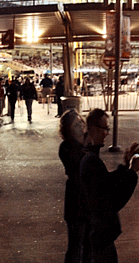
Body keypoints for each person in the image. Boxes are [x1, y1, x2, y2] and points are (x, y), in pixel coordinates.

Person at [80, 109, 139, 263]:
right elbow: (112, 201)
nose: (107, 133)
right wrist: (132, 173)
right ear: (94, 129)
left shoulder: (90, 158)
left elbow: (105, 181)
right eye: (105, 128)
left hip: (98, 235)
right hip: (100, 237)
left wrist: (125, 166)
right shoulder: (91, 161)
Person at [59, 110, 88, 263]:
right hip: (75, 203)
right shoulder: (67, 147)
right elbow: (78, 168)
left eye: (81, 122)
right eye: (76, 125)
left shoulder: (85, 144)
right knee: (75, 247)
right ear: (68, 130)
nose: (81, 127)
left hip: (86, 202)